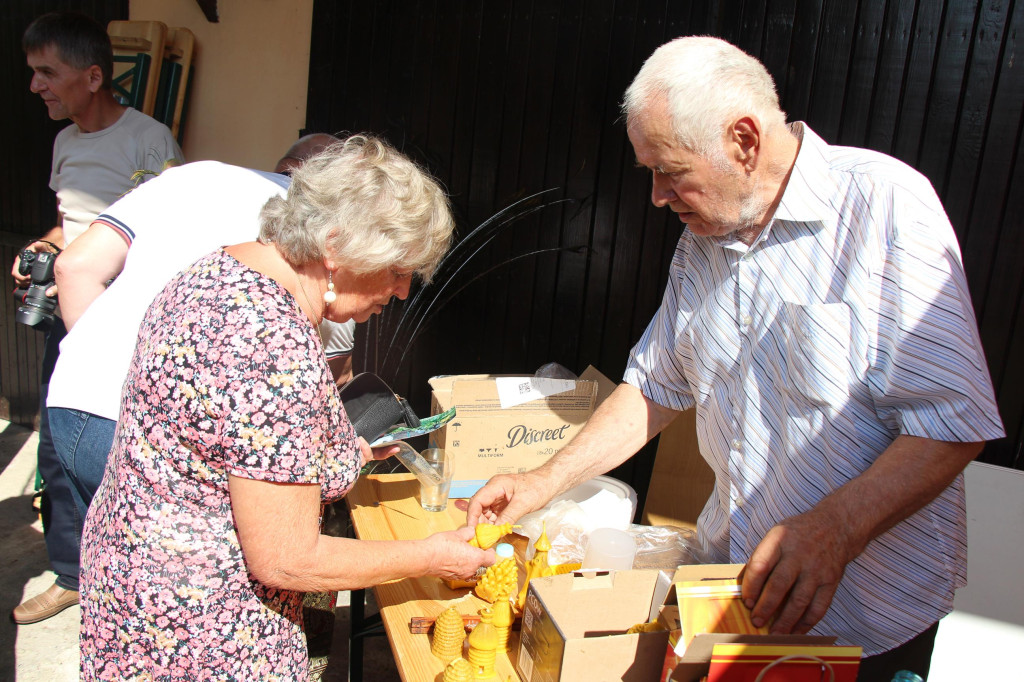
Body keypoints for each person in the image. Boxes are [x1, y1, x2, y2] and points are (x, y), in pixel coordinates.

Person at [468, 36, 1004, 679]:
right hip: (731, 594)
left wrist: (837, 527)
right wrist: (540, 483)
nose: (658, 197)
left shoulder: (885, 208)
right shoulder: (704, 240)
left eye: (671, 171)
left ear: (744, 141)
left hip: (867, 619)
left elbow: (953, 424)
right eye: (651, 175)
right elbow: (655, 385)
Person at [78, 135, 494, 680]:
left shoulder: (216, 271)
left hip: (132, 579)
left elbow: (232, 449)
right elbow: (286, 558)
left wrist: (344, 456)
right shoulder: (272, 342)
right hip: (201, 629)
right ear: (336, 246)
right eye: (397, 269)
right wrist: (431, 555)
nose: (400, 290)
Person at [47, 138, 355, 538]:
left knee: (115, 561)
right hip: (161, 438)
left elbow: (73, 267)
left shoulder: (195, 174)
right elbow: (322, 384)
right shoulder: (329, 245)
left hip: (72, 399)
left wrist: (134, 376)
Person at [11, 10, 183, 625]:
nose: (36, 86)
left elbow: (165, 234)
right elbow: (76, 222)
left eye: (47, 73)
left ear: (91, 75)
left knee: (124, 447)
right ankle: (72, 574)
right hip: (70, 313)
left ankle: (132, 573)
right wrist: (47, 246)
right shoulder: (64, 142)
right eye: (33, 73)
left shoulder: (149, 139)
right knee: (57, 443)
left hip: (125, 321)